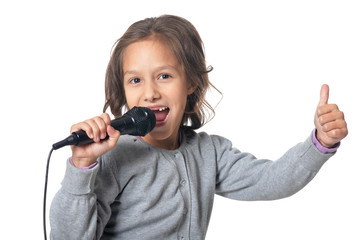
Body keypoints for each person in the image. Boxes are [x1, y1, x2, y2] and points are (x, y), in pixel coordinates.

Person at [50, 15, 348, 240]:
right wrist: (81, 167)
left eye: (164, 76)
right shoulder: (114, 158)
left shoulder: (210, 152)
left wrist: (319, 142)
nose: (150, 92)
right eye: (135, 80)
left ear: (191, 81)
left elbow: (271, 180)